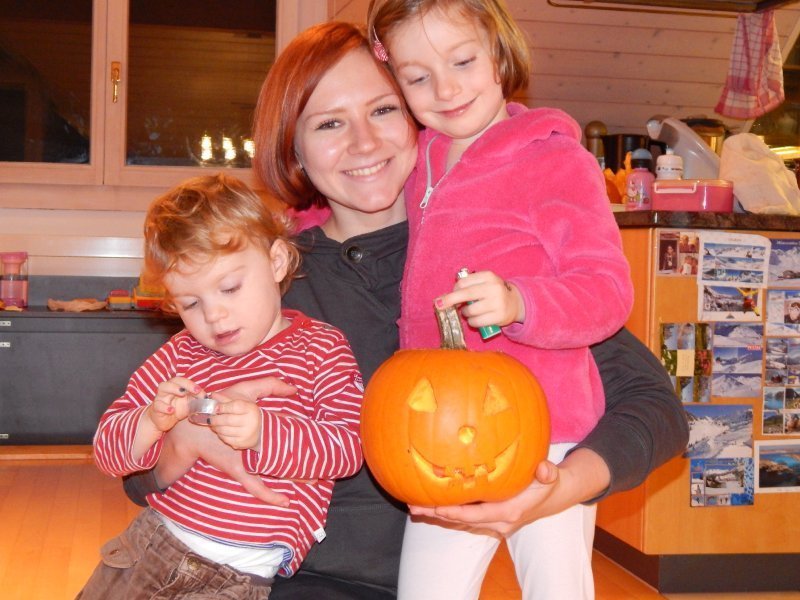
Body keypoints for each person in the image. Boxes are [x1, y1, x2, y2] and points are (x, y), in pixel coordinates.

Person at [123, 22, 689, 599]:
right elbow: (138, 472)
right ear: (293, 148)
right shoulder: (263, 281)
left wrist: (561, 487)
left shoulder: (497, 256)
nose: (364, 143)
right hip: (273, 575)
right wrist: (177, 448)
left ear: (420, 116)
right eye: (329, 123)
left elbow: (657, 409)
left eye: (383, 110)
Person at [367, 1, 632, 597]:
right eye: (418, 76)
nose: (445, 89)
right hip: (432, 434)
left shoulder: (555, 160)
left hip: (548, 433)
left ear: (498, 52)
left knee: (557, 590)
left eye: (462, 61)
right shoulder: (419, 159)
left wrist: (521, 302)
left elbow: (608, 291)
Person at [81, 173, 365, 598]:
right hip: (150, 545)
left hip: (237, 580)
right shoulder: (180, 352)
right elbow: (107, 453)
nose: (214, 316)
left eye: (230, 288)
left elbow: (349, 448)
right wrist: (151, 421)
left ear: (276, 262)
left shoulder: (321, 349)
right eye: (191, 303)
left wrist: (264, 433)